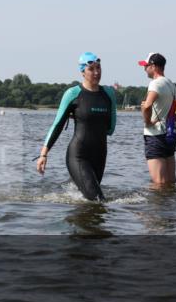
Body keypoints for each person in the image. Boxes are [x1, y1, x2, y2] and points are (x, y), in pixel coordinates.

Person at [36, 52, 117, 201]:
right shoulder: (73, 94)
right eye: (91, 69)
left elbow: (111, 129)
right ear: (82, 72)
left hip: (100, 155)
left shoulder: (109, 93)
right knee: (98, 200)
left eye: (98, 68)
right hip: (78, 155)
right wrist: (43, 154)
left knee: (88, 200)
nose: (96, 72)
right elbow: (58, 124)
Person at [139, 52, 176, 187]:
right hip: (169, 135)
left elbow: (147, 106)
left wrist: (147, 122)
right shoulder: (171, 85)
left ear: (154, 66)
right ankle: (171, 207)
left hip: (155, 135)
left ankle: (158, 207)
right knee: (171, 181)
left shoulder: (155, 84)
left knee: (159, 184)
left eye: (146, 66)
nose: (144, 69)